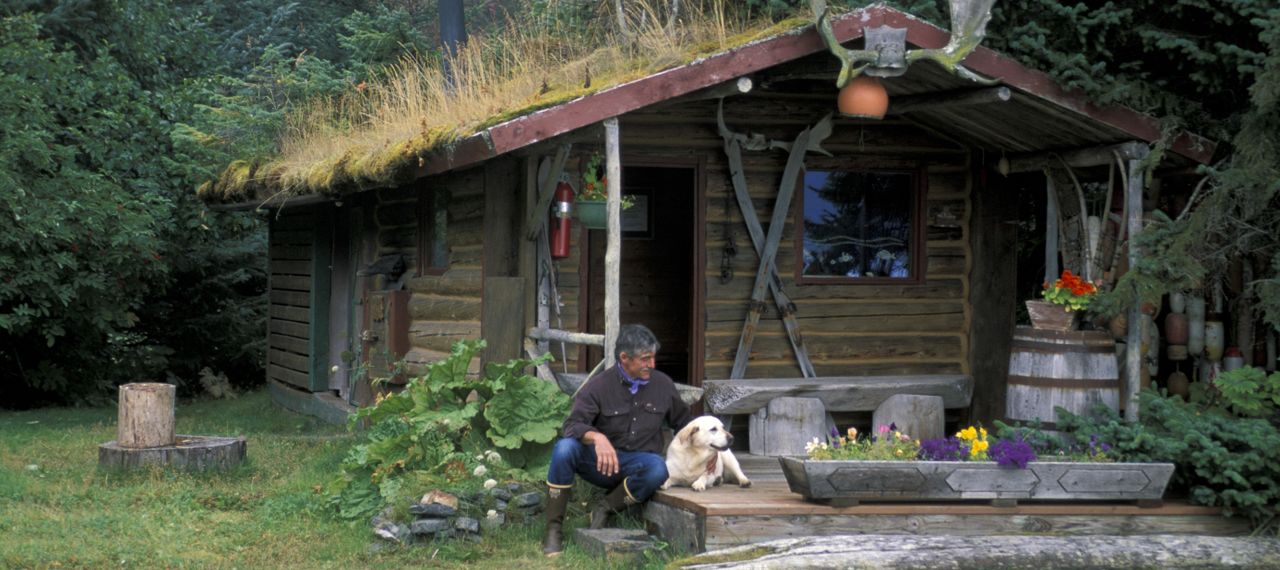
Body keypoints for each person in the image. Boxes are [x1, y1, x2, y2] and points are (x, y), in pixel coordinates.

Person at [541, 323, 693, 557]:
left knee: (658, 468)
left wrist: (714, 452)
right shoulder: (598, 386)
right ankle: (553, 530)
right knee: (564, 448)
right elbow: (571, 426)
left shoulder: (663, 385)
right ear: (624, 358)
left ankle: (605, 508)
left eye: (653, 358)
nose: (651, 365)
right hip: (598, 465)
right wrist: (597, 437)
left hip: (638, 464)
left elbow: (687, 424)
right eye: (645, 359)